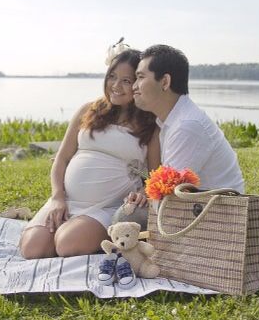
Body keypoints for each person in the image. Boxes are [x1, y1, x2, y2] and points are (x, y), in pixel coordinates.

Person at [19, 48, 160, 259]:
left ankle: (98, 233)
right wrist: (58, 198)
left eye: (126, 80)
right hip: (65, 201)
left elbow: (155, 174)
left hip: (106, 206)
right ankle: (65, 225)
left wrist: (144, 194)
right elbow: (62, 158)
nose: (115, 86)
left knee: (67, 246)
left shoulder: (150, 123)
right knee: (32, 250)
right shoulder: (89, 110)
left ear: (138, 83)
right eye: (112, 77)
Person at [127, 44, 245, 207]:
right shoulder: (174, 120)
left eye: (140, 77)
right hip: (203, 212)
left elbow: (167, 201)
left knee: (128, 214)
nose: (134, 86)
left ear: (165, 82)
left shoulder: (187, 126)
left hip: (218, 219)